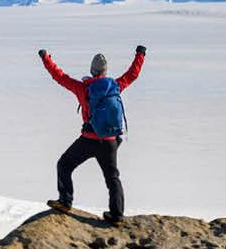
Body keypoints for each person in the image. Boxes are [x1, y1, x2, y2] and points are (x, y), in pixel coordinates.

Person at [39, 45, 146, 224]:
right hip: (110, 141)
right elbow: (132, 74)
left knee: (64, 165)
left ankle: (65, 201)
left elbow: (60, 77)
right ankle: (117, 215)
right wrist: (140, 54)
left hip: (88, 140)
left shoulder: (83, 89)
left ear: (92, 71)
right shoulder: (116, 86)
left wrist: (45, 58)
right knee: (113, 178)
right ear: (105, 71)